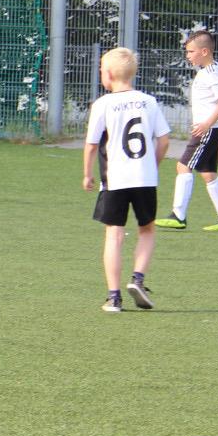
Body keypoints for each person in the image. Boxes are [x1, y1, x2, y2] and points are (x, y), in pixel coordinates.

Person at [83, 46, 171, 313]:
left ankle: (114, 298)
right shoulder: (149, 101)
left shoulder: (103, 104)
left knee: (114, 235)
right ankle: (138, 279)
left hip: (115, 179)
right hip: (145, 178)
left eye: (101, 70)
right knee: (147, 229)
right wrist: (152, 166)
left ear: (109, 74)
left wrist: (87, 174)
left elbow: (91, 144)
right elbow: (164, 140)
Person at [155, 30, 218, 232]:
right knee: (208, 173)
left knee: (183, 166)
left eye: (191, 52)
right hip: (211, 129)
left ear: (204, 51)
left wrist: (206, 124)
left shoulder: (212, 73)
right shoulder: (206, 70)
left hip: (208, 130)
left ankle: (178, 215)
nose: (188, 55)